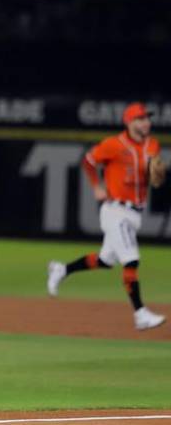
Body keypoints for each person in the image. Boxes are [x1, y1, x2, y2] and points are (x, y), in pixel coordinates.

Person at [47, 102, 166, 331]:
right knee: (131, 260)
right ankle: (140, 313)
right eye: (140, 119)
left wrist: (156, 173)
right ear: (129, 123)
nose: (146, 122)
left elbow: (153, 170)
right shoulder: (113, 144)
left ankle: (62, 269)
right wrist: (96, 186)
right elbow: (89, 161)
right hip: (115, 211)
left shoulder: (153, 144)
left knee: (105, 260)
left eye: (147, 118)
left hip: (135, 213)